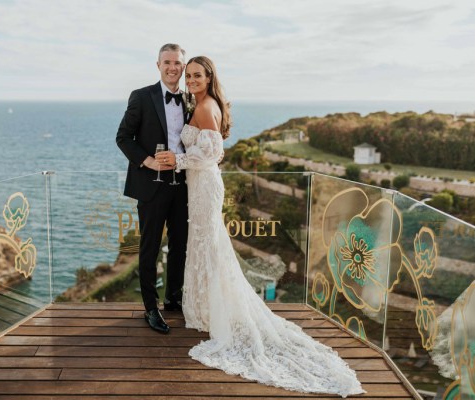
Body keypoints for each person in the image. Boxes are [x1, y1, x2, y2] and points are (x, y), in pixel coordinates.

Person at [156, 56, 365, 397]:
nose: (191, 79)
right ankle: (207, 308)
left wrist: (175, 159)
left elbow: (212, 155)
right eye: (188, 75)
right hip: (199, 185)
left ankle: (215, 312)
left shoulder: (206, 106)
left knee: (209, 245)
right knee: (204, 245)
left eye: (197, 75)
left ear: (209, 77)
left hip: (205, 184)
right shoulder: (203, 103)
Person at [116, 43, 189, 334]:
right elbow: (123, 137)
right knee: (149, 247)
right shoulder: (142, 96)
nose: (173, 68)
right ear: (158, 65)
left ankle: (173, 298)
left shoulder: (189, 99)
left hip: (182, 185)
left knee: (180, 245)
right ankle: (150, 307)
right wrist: (148, 162)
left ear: (183, 67)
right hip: (151, 185)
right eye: (168, 62)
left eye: (178, 63)